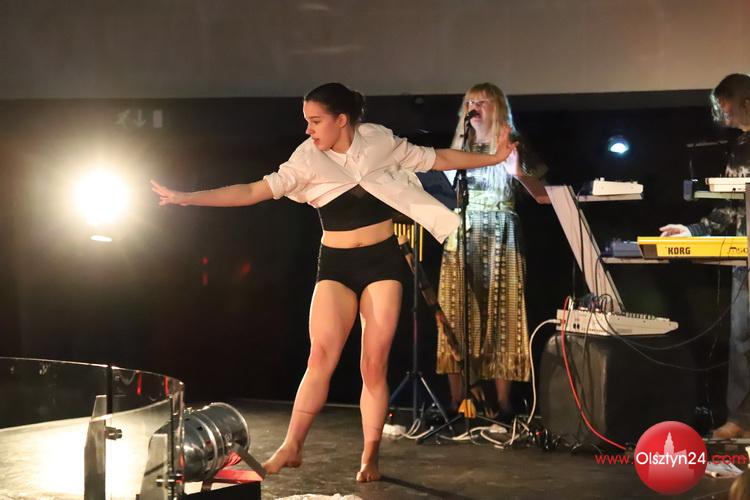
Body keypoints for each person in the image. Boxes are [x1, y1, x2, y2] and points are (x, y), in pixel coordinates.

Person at [151, 82, 517, 482]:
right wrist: (189, 197)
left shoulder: (378, 141)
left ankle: (370, 455)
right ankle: (291, 446)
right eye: (306, 122)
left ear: (342, 120)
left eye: (315, 121)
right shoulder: (306, 158)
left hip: (382, 263)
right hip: (337, 265)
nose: (308, 130)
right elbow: (253, 190)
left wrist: (495, 158)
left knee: (373, 365)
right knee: (320, 357)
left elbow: (438, 158)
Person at [435, 83, 548, 419]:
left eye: (482, 102)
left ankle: (502, 404)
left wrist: (518, 170)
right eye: (470, 101)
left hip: (501, 233)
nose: (474, 107)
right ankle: (458, 402)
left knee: (504, 315)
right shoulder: (460, 146)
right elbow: (442, 186)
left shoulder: (513, 143)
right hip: (462, 230)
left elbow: (542, 195)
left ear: (497, 106)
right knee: (456, 313)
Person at [659, 73, 750, 439]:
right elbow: (729, 207)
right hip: (743, 259)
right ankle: (741, 421)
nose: (722, 111)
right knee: (742, 339)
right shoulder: (739, 146)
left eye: (727, 103)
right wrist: (693, 231)